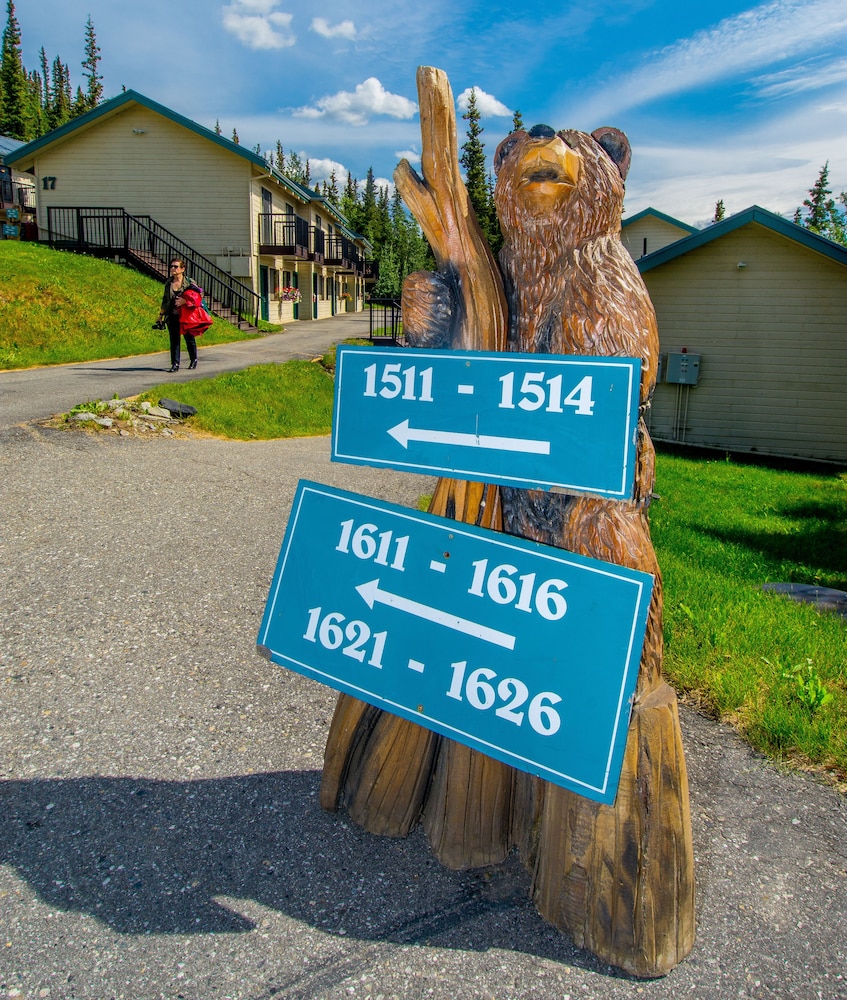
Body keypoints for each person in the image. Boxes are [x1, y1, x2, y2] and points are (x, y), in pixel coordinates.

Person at [156, 258, 199, 372]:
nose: (173, 269)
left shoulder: (189, 282)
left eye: (176, 266)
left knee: (189, 338)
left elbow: (198, 296)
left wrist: (185, 301)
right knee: (174, 340)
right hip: (172, 315)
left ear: (182, 269)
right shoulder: (169, 283)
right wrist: (160, 315)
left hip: (186, 316)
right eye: (171, 266)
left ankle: (193, 360)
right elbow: (165, 300)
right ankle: (175, 364)